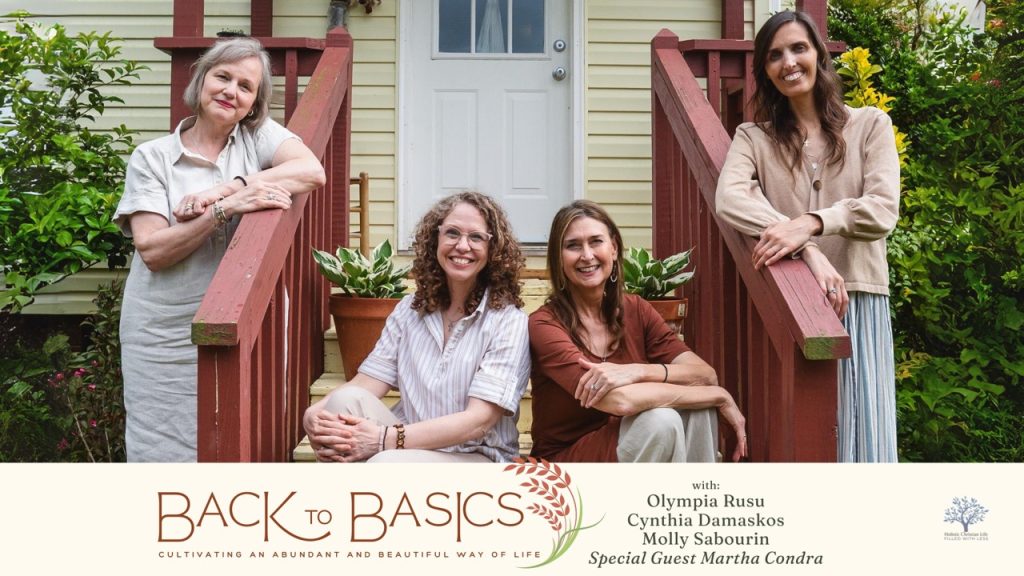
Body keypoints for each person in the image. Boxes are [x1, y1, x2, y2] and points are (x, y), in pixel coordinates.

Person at [114, 37, 327, 461]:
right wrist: (226, 209)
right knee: (162, 446)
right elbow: (153, 250)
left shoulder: (257, 139)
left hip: (240, 322)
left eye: (246, 87)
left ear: (253, 103)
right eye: (223, 77)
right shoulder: (152, 157)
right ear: (201, 81)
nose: (232, 91)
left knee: (233, 435)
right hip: (161, 329)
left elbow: (311, 170)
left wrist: (232, 186)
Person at [715, 11, 900, 462]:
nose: (789, 62)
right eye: (775, 55)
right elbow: (730, 200)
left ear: (818, 54)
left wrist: (811, 222)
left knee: (864, 438)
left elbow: (882, 209)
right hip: (792, 300)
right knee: (806, 438)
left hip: (857, 297)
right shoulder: (753, 137)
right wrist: (809, 248)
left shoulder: (869, 125)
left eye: (798, 48)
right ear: (765, 70)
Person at [304, 192, 531, 463]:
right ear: (435, 239)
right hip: (410, 445)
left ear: (494, 249)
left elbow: (478, 422)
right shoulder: (410, 309)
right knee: (342, 406)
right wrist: (314, 414)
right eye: (452, 233)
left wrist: (383, 439)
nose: (462, 245)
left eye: (476, 237)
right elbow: (367, 383)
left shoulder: (508, 321)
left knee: (385, 462)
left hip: (476, 458)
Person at [529, 200, 748, 463]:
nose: (586, 255)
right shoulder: (544, 325)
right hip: (567, 464)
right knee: (662, 420)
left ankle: (694, 498)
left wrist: (637, 371)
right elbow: (619, 401)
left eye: (596, 241)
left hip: (631, 443)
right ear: (558, 258)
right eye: (573, 245)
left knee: (698, 412)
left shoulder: (635, 309)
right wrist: (719, 396)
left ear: (613, 249)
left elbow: (704, 374)